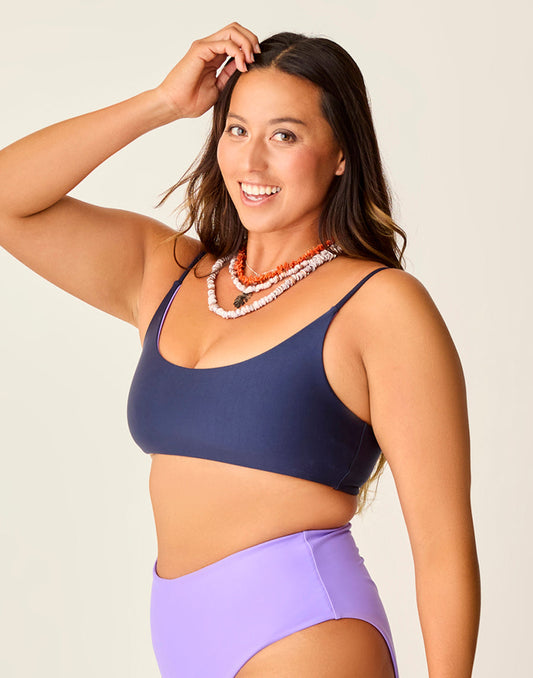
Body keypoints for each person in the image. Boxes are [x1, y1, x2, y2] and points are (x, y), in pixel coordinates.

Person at [0, 21, 480, 678]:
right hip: (179, 633)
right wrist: (162, 103)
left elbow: (443, 548)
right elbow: (7, 200)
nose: (251, 163)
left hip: (304, 631)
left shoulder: (381, 304)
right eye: (236, 129)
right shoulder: (166, 274)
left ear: (340, 153)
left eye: (284, 135)